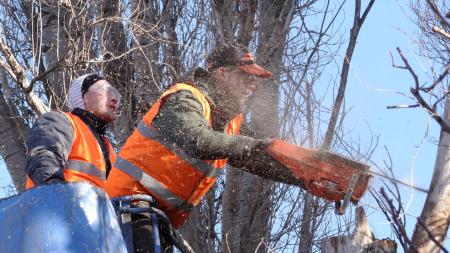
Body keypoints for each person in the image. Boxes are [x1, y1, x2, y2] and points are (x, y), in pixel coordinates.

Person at [105, 43, 303, 252]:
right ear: (222, 74)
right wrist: (253, 145)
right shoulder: (184, 98)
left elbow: (259, 156)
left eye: (253, 79)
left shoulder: (230, 122)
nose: (251, 85)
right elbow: (198, 140)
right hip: (128, 204)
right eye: (245, 76)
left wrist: (306, 176)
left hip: (157, 216)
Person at [25, 73, 121, 189]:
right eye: (105, 90)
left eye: (114, 92)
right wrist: (57, 193)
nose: (114, 99)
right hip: (59, 204)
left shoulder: (107, 147)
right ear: (83, 98)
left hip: (95, 206)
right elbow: (44, 160)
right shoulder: (60, 121)